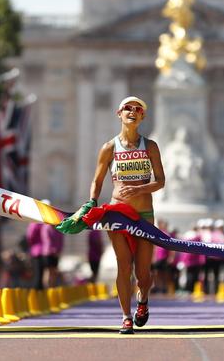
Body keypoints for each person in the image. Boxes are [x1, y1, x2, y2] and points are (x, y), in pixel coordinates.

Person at [79, 96, 165, 334]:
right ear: (119, 114)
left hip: (144, 215)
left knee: (144, 273)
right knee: (123, 266)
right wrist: (92, 203)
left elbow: (160, 181)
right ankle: (126, 316)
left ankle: (143, 299)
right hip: (117, 213)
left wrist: (139, 188)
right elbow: (97, 181)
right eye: (128, 108)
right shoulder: (109, 147)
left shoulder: (150, 146)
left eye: (138, 109)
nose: (132, 111)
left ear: (142, 117)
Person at [25, 221, 44, 290]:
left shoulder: (35, 223)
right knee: (42, 275)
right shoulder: (45, 223)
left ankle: (37, 292)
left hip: (37, 252)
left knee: (37, 275)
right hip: (45, 252)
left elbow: (30, 236)